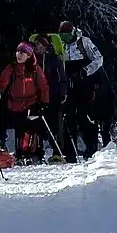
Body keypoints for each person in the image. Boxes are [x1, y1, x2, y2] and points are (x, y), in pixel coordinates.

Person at [0, 42, 50, 165]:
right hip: (14, 104)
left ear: (29, 55)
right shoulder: (11, 67)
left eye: (23, 53)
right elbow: (2, 81)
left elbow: (43, 86)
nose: (19, 55)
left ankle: (34, 152)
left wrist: (44, 102)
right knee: (19, 129)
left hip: (32, 103)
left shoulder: (35, 69)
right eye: (18, 52)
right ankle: (20, 154)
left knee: (31, 128)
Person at [58, 21, 105, 160]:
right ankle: (69, 152)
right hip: (67, 84)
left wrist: (85, 71)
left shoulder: (84, 42)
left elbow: (98, 58)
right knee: (68, 117)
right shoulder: (60, 44)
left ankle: (91, 149)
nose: (64, 38)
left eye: (66, 34)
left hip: (84, 83)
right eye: (62, 35)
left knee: (85, 117)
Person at [32, 35, 69, 163]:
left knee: (55, 124)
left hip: (54, 95)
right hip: (37, 96)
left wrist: (63, 92)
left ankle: (57, 151)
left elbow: (62, 77)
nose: (39, 48)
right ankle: (36, 151)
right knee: (37, 124)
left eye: (41, 46)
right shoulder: (33, 60)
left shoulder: (54, 59)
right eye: (37, 45)